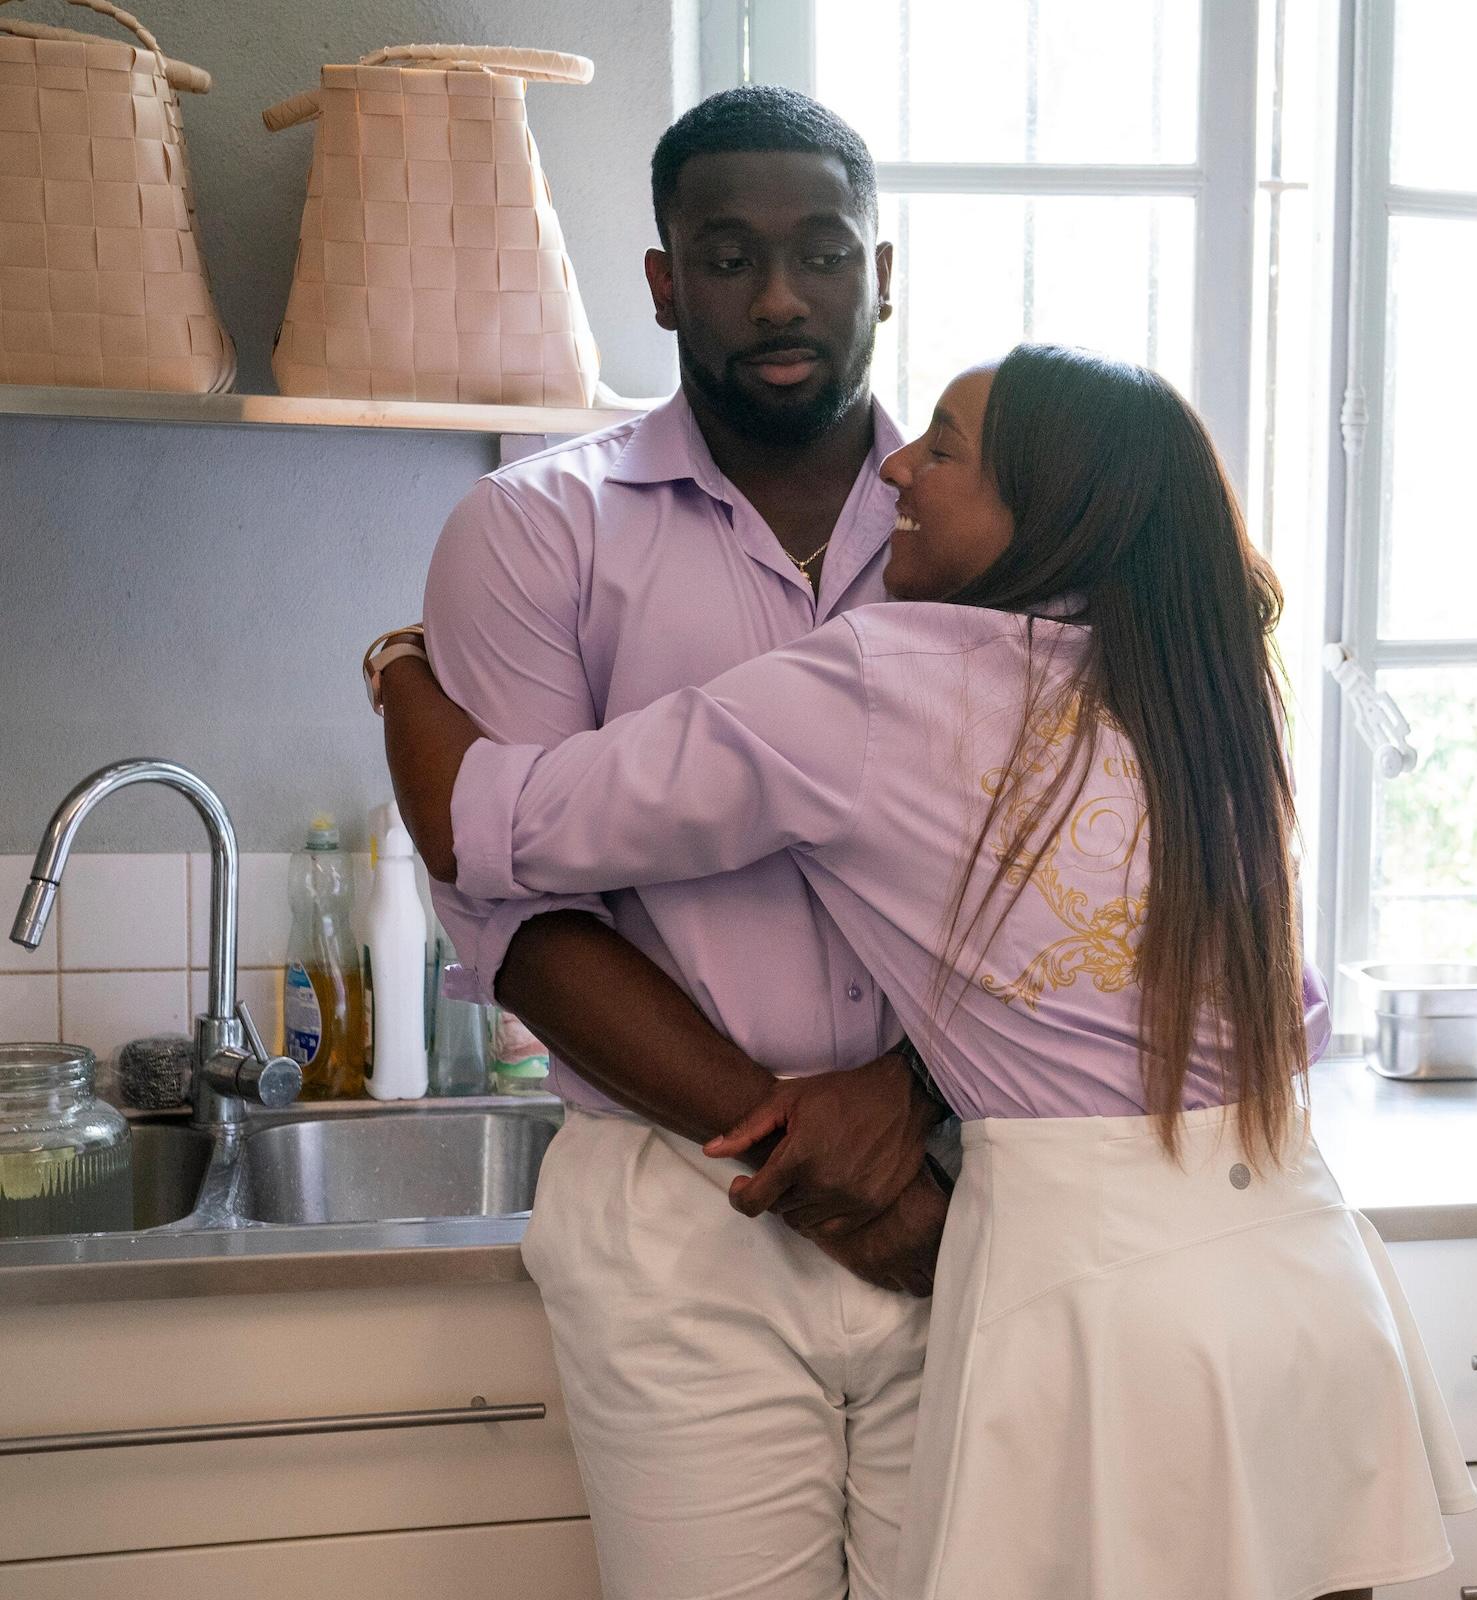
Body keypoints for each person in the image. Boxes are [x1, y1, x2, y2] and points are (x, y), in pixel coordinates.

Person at [376, 344, 1477, 1600]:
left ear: (1042, 514)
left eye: (943, 449)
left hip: (1101, 1309)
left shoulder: (876, 678)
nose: (896, 462)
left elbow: (485, 824)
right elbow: (1289, 1019)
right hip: (1305, 1283)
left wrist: (398, 664)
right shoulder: (1203, 690)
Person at [398, 86, 962, 1600]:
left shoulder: (986, 535)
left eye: (823, 253)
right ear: (660, 280)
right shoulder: (535, 532)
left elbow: (1067, 868)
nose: (780, 296)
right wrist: (828, 1164)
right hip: (685, 1210)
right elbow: (519, 916)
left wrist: (905, 1111)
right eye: (726, 256)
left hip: (969, 1190)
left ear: (883, 271)